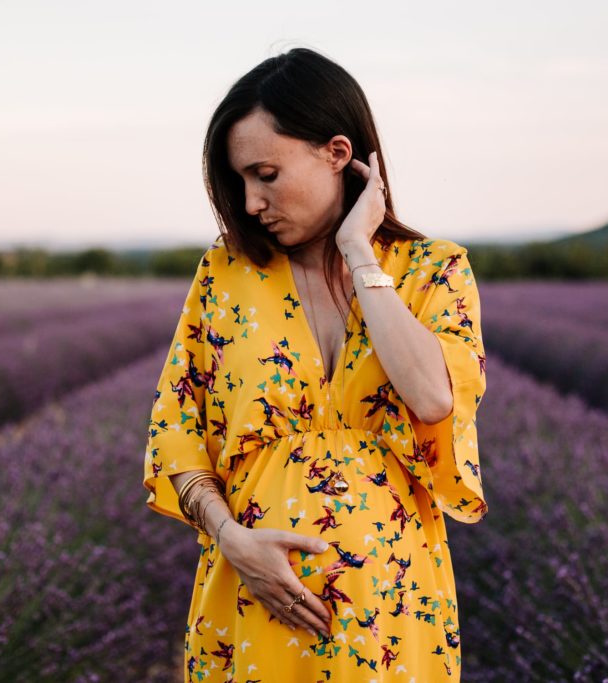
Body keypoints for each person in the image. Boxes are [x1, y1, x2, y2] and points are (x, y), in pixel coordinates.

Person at [143, 46, 489, 682]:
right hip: (252, 600)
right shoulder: (225, 274)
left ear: (336, 153)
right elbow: (176, 433)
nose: (250, 203)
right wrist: (230, 538)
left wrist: (360, 252)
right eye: (239, 181)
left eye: (266, 174)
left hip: (389, 604)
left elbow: (435, 399)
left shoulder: (434, 270)